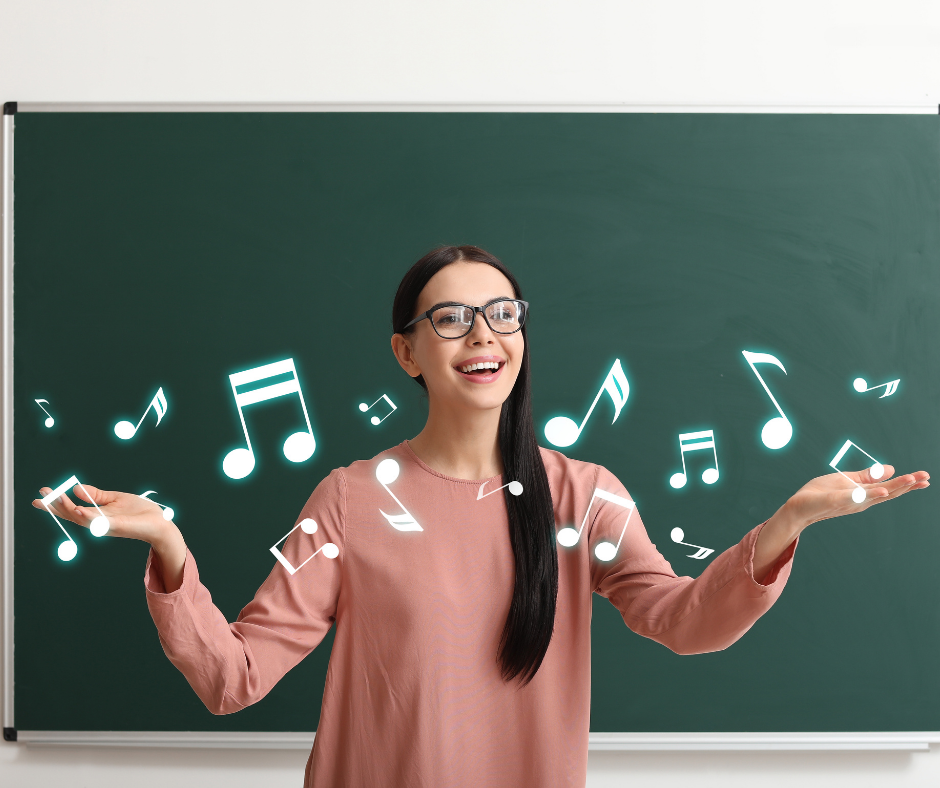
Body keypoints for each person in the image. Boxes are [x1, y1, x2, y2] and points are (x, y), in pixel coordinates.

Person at [32, 245, 929, 787]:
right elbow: (235, 677)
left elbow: (684, 621)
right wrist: (167, 547)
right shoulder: (349, 498)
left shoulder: (584, 493)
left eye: (502, 315)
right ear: (407, 351)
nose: (483, 337)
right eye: (452, 318)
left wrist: (784, 527)